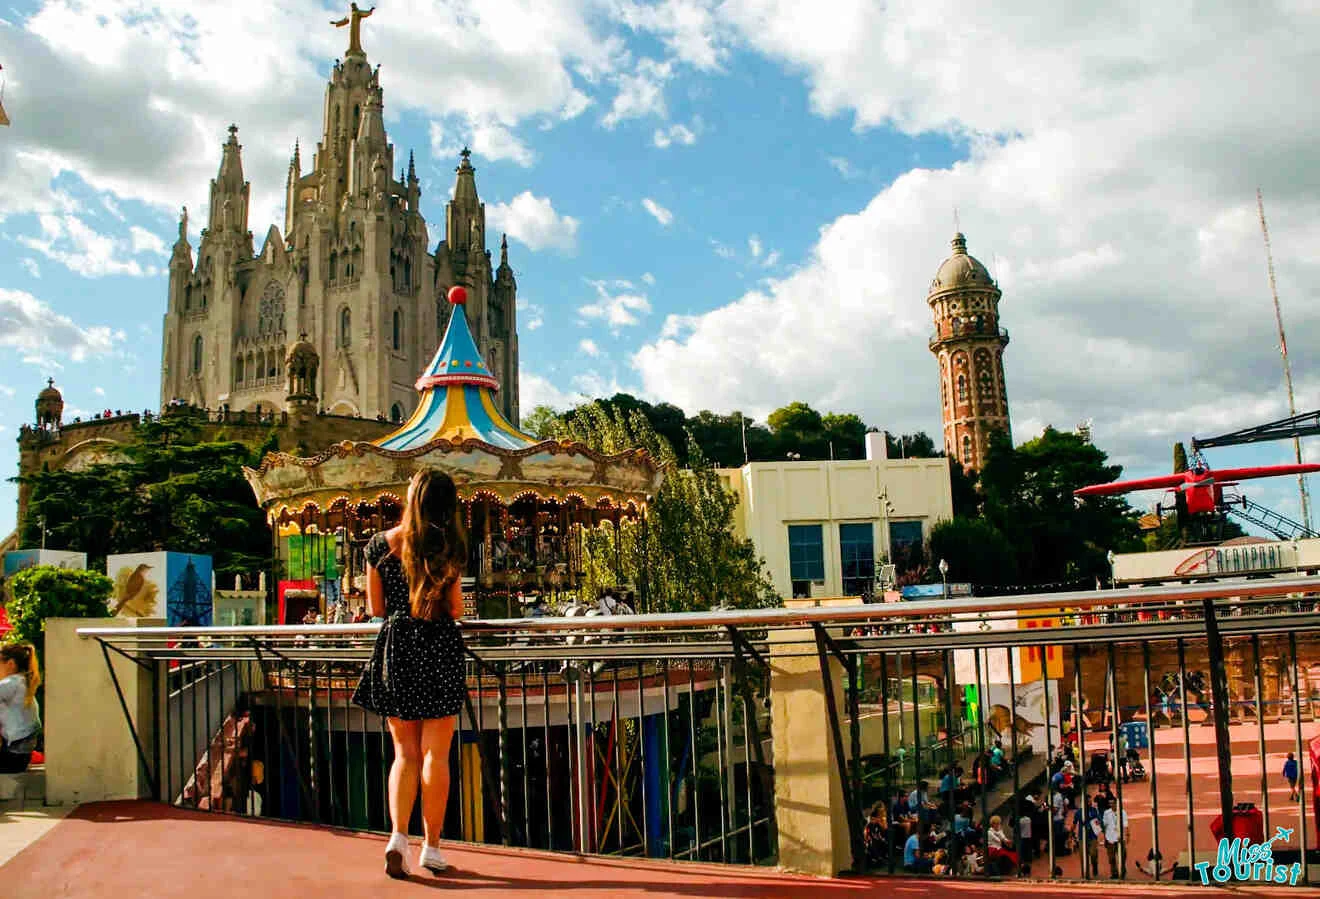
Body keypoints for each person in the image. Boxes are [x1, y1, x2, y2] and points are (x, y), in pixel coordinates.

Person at [352, 470, 467, 879]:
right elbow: (455, 609)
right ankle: (431, 848)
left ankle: (397, 837)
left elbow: (376, 608)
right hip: (438, 645)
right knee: (436, 753)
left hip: (398, 646)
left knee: (404, 753)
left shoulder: (379, 545)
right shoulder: (446, 544)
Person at [0, 643, 42, 773]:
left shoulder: (11, 683)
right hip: (21, 756)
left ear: (10, 664)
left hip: (13, 756)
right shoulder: (22, 682)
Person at [1101, 796, 1129, 879]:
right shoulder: (1106, 813)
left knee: (1123, 855)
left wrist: (1127, 835)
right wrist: (1105, 838)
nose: (1111, 805)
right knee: (1111, 858)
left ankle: (1122, 869)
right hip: (1110, 838)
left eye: (1113, 803)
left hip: (1120, 838)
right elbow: (1105, 826)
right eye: (1110, 803)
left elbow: (1126, 824)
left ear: (1116, 803)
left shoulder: (1122, 812)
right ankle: (1114, 873)